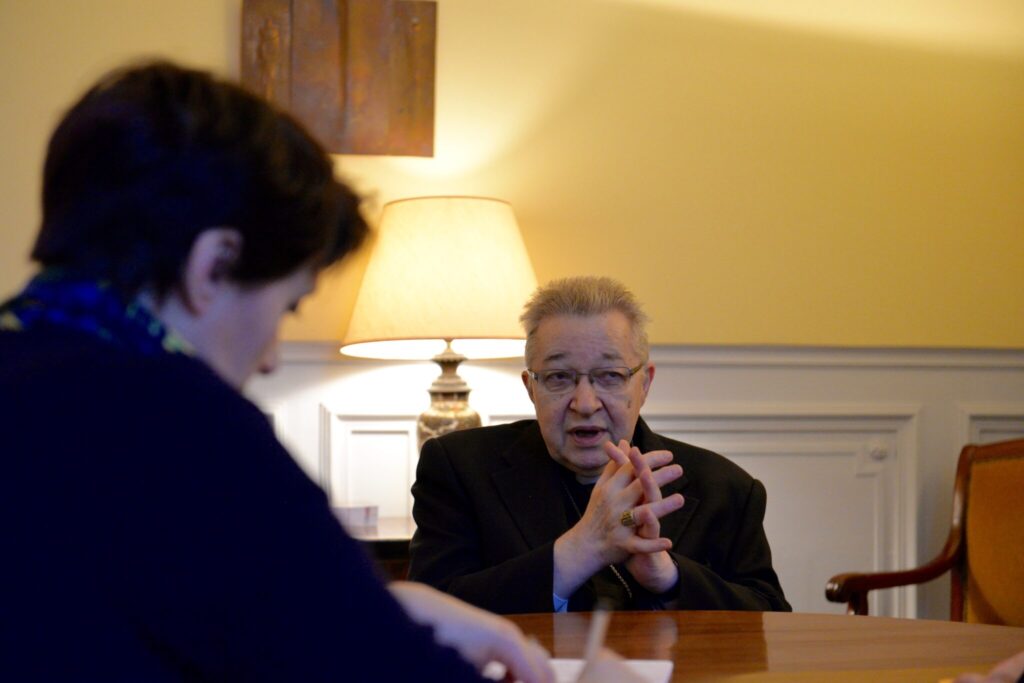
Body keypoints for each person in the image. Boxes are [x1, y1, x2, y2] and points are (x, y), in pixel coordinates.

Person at [0, 60, 561, 682]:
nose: (270, 357)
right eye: (285, 306)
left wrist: (377, 609)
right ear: (212, 266)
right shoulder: (187, 428)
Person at [408, 276, 791, 614]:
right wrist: (579, 550)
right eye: (559, 376)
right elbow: (427, 615)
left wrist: (669, 579)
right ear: (531, 388)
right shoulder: (459, 468)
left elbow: (769, 621)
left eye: (609, 375)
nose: (586, 403)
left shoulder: (726, 489)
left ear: (644, 385)